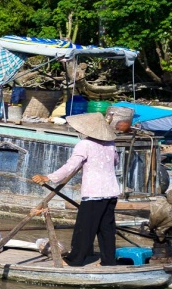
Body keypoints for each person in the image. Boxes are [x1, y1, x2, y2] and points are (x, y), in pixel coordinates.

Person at [32, 113, 120, 266]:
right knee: (106, 228)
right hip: (111, 191)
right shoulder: (111, 144)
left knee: (84, 228)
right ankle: (109, 261)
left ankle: (75, 260)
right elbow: (116, 162)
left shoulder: (85, 144)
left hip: (94, 192)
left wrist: (49, 177)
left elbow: (71, 165)